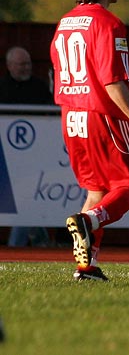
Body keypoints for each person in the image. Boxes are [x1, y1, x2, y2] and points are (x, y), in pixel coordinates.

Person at [50, 0, 129, 281]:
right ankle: (89, 222)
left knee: (96, 191)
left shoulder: (65, 22)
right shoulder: (109, 24)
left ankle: (86, 267)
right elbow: (112, 80)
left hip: (71, 116)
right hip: (103, 118)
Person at [0, 46, 53, 247]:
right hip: (5, 157)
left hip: (33, 156)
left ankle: (21, 245)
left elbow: (50, 116)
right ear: (9, 65)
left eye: (28, 63)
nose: (26, 68)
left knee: (26, 201)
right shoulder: (2, 87)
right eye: (21, 64)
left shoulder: (39, 87)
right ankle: (37, 241)